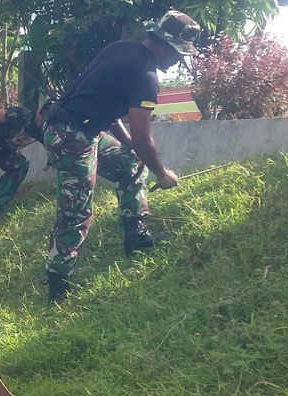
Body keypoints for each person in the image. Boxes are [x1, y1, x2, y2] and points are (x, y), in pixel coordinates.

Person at [41, 10, 199, 303]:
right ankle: (57, 284)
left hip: (74, 127)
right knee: (76, 211)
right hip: (72, 136)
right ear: (165, 44)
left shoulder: (121, 48)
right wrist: (162, 174)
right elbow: (143, 137)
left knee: (130, 161)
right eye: (178, 54)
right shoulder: (148, 78)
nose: (177, 61)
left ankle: (135, 234)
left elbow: (104, 100)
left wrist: (124, 141)